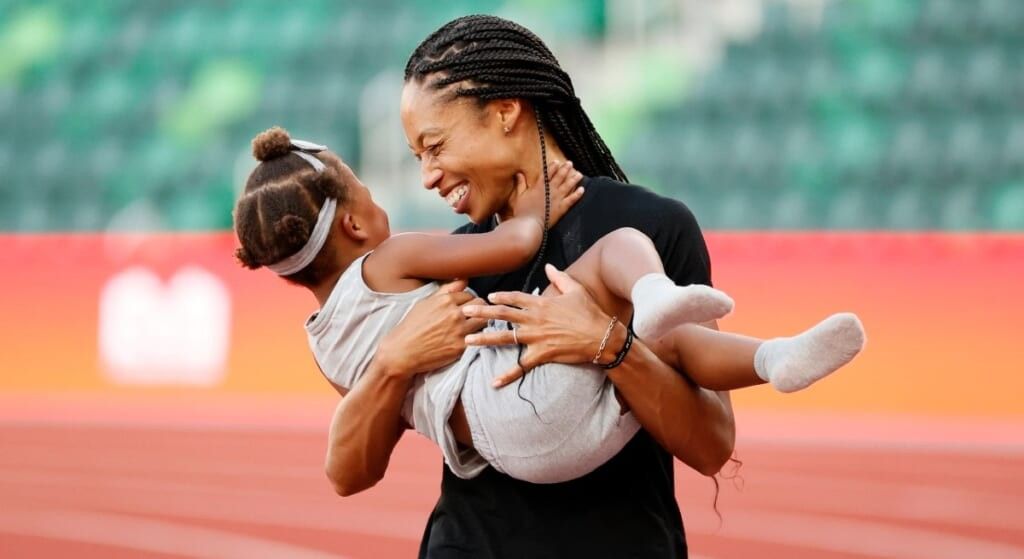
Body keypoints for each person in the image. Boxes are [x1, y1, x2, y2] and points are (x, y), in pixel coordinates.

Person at [231, 128, 864, 484]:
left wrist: (393, 365)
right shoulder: (391, 258)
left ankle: (774, 357)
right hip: (519, 390)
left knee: (651, 341)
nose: (423, 176)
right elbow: (518, 241)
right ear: (353, 224)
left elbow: (365, 438)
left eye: (433, 148)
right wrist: (540, 205)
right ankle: (665, 297)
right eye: (366, 189)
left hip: (512, 453)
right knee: (620, 255)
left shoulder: (324, 344)